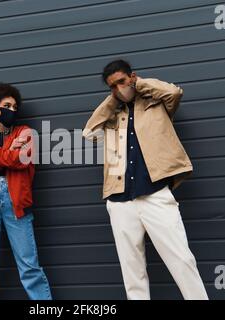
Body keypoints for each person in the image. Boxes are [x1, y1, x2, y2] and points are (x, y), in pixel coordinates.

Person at [83, 60, 208, 300]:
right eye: (113, 86)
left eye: (122, 81)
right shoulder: (112, 116)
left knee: (182, 259)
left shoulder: (157, 104)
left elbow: (174, 92)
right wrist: (114, 99)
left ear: (132, 76)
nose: (119, 88)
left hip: (155, 195)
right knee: (133, 273)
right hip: (120, 201)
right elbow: (89, 134)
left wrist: (138, 84)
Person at [0, 83, 52, 300]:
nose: (12, 110)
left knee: (29, 267)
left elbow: (20, 160)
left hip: (15, 200)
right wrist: (5, 153)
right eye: (7, 105)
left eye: (15, 106)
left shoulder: (25, 133)